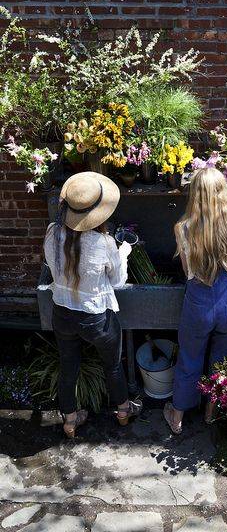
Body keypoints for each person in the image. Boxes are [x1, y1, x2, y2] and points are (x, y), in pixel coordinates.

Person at [44, 171, 142, 438]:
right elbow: (118, 281)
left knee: (68, 365)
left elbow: (53, 268)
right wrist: (124, 252)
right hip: (95, 319)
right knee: (111, 365)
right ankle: (123, 410)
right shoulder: (104, 243)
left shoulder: (53, 233)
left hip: (62, 313)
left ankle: (70, 420)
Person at [163, 167, 227, 434]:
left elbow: (188, 273)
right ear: (224, 193)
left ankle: (177, 416)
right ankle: (211, 412)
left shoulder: (183, 229)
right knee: (221, 361)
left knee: (189, 357)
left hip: (198, 303)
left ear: (195, 195)